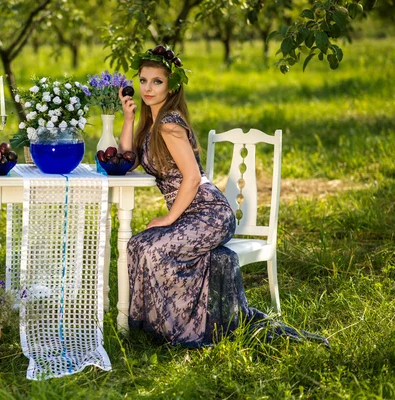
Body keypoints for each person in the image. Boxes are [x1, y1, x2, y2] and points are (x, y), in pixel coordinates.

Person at [117, 45, 328, 348]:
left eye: (157, 81)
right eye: (143, 80)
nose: (148, 88)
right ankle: (161, 327)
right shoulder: (151, 125)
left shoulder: (169, 124)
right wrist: (128, 119)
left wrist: (168, 218)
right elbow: (127, 161)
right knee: (138, 243)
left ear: (172, 85)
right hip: (190, 213)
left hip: (209, 213)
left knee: (153, 249)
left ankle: (181, 332)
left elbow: (191, 178)